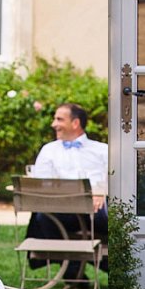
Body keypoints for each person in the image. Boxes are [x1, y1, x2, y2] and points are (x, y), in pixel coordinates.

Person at [26, 103, 109, 279]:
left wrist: (101, 192)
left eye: (59, 119)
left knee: (108, 217)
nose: (53, 124)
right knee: (43, 217)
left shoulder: (102, 150)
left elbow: (114, 177)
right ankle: (73, 269)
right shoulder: (49, 150)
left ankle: (105, 262)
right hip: (63, 209)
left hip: (96, 208)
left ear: (75, 123)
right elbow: (41, 183)